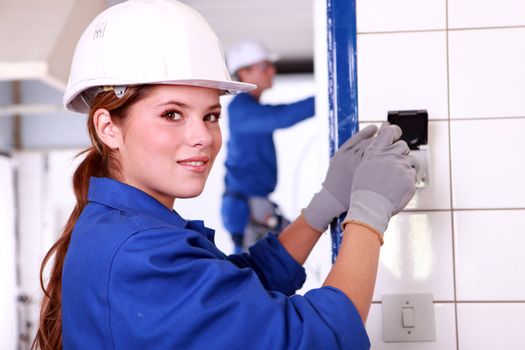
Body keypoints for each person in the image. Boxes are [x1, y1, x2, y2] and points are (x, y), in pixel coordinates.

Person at [33, 1, 418, 349]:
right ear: (108, 128)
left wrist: (323, 207)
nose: (202, 137)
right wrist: (368, 213)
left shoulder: (125, 229)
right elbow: (315, 339)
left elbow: (236, 291)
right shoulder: (140, 253)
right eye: (172, 114)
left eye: (211, 116)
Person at [221, 40, 316, 253]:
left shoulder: (249, 108)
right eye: (264, 66)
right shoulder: (240, 110)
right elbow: (281, 116)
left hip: (251, 202)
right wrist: (327, 98)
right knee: (252, 269)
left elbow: (279, 113)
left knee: (274, 258)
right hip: (246, 204)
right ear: (243, 73)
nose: (272, 71)